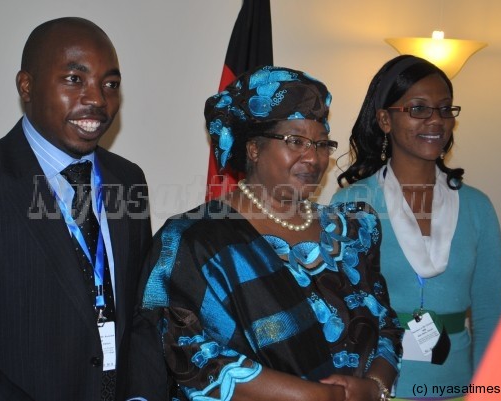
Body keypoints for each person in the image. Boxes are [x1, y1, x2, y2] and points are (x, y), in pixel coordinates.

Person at [138, 65, 402, 401]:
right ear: (253, 148)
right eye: (296, 141)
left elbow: (385, 324)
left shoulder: (353, 231)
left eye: (323, 144)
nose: (314, 157)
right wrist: (314, 397)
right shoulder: (193, 241)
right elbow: (190, 355)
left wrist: (374, 386)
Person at [0, 17, 163, 401]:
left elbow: (142, 314)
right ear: (27, 85)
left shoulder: (128, 179)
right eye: (75, 79)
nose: (97, 100)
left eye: (110, 84)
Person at [332, 55, 501, 400]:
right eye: (418, 109)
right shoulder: (352, 202)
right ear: (385, 119)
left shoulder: (477, 206)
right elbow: (337, 312)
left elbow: (491, 313)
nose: (436, 120)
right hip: (376, 387)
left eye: (444, 109)